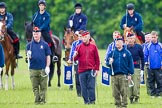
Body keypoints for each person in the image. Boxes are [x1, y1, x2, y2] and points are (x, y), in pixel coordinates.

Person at [105, 36, 134, 108]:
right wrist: (109, 62)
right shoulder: (112, 52)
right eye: (116, 42)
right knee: (115, 92)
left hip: (123, 75)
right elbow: (107, 63)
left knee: (124, 91)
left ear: (122, 43)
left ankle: (124, 105)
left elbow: (130, 64)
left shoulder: (127, 53)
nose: (117, 43)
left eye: (119, 42)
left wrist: (129, 74)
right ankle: (117, 105)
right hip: (114, 75)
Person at [26, 27, 51, 104]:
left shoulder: (45, 44)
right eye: (34, 34)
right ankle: (37, 100)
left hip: (43, 68)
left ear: (40, 34)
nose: (35, 35)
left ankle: (43, 101)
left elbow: (48, 56)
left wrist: (47, 66)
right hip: (33, 69)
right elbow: (27, 58)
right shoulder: (29, 45)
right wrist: (28, 55)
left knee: (43, 87)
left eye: (37, 33)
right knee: (35, 87)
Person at [73, 31, 100, 104]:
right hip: (81, 70)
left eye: (85, 37)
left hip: (91, 69)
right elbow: (74, 59)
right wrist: (74, 55)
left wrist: (97, 69)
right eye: (83, 37)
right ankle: (86, 101)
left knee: (91, 86)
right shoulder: (78, 47)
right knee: (83, 87)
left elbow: (97, 59)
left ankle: (92, 100)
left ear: (88, 37)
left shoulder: (93, 47)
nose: (84, 39)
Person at [126, 33, 144, 103]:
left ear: (134, 39)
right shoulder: (126, 48)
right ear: (127, 39)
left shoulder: (139, 47)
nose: (130, 40)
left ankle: (136, 98)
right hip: (127, 69)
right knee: (129, 85)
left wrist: (142, 69)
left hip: (136, 67)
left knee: (136, 84)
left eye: (132, 38)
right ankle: (130, 98)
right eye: (129, 39)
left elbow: (142, 58)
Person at [144, 31, 162, 98]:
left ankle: (159, 93)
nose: (153, 39)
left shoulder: (160, 45)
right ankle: (152, 94)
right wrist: (147, 63)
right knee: (151, 81)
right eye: (152, 37)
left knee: (159, 80)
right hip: (150, 66)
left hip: (159, 66)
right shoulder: (148, 46)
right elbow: (145, 55)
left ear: (157, 37)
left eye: (154, 37)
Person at [67, 31, 83, 95]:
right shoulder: (75, 43)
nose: (80, 38)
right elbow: (72, 52)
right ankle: (79, 93)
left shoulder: (87, 43)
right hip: (77, 63)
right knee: (77, 78)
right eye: (79, 36)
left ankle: (85, 92)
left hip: (85, 63)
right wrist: (70, 59)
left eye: (81, 36)